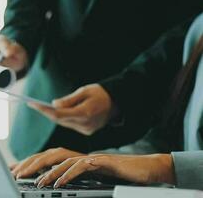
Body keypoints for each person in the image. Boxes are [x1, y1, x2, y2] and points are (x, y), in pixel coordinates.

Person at [0, 0, 202, 160]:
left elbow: (191, 27)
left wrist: (120, 95)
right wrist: (17, 39)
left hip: (134, 121)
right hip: (44, 111)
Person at [10, 14, 203, 190]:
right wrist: (95, 163)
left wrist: (166, 166)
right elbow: (168, 143)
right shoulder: (198, 29)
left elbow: (165, 162)